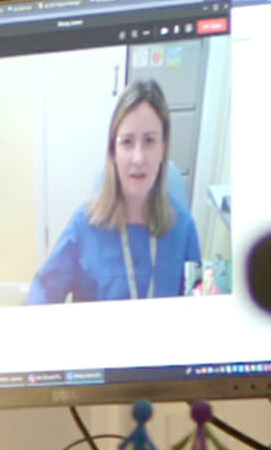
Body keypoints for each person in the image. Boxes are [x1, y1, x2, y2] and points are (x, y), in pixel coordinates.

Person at [26, 79, 202, 304]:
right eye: (127, 142)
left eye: (149, 141)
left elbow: (198, 301)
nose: (138, 158)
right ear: (113, 151)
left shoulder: (184, 229)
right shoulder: (83, 226)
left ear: (163, 149)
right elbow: (44, 289)